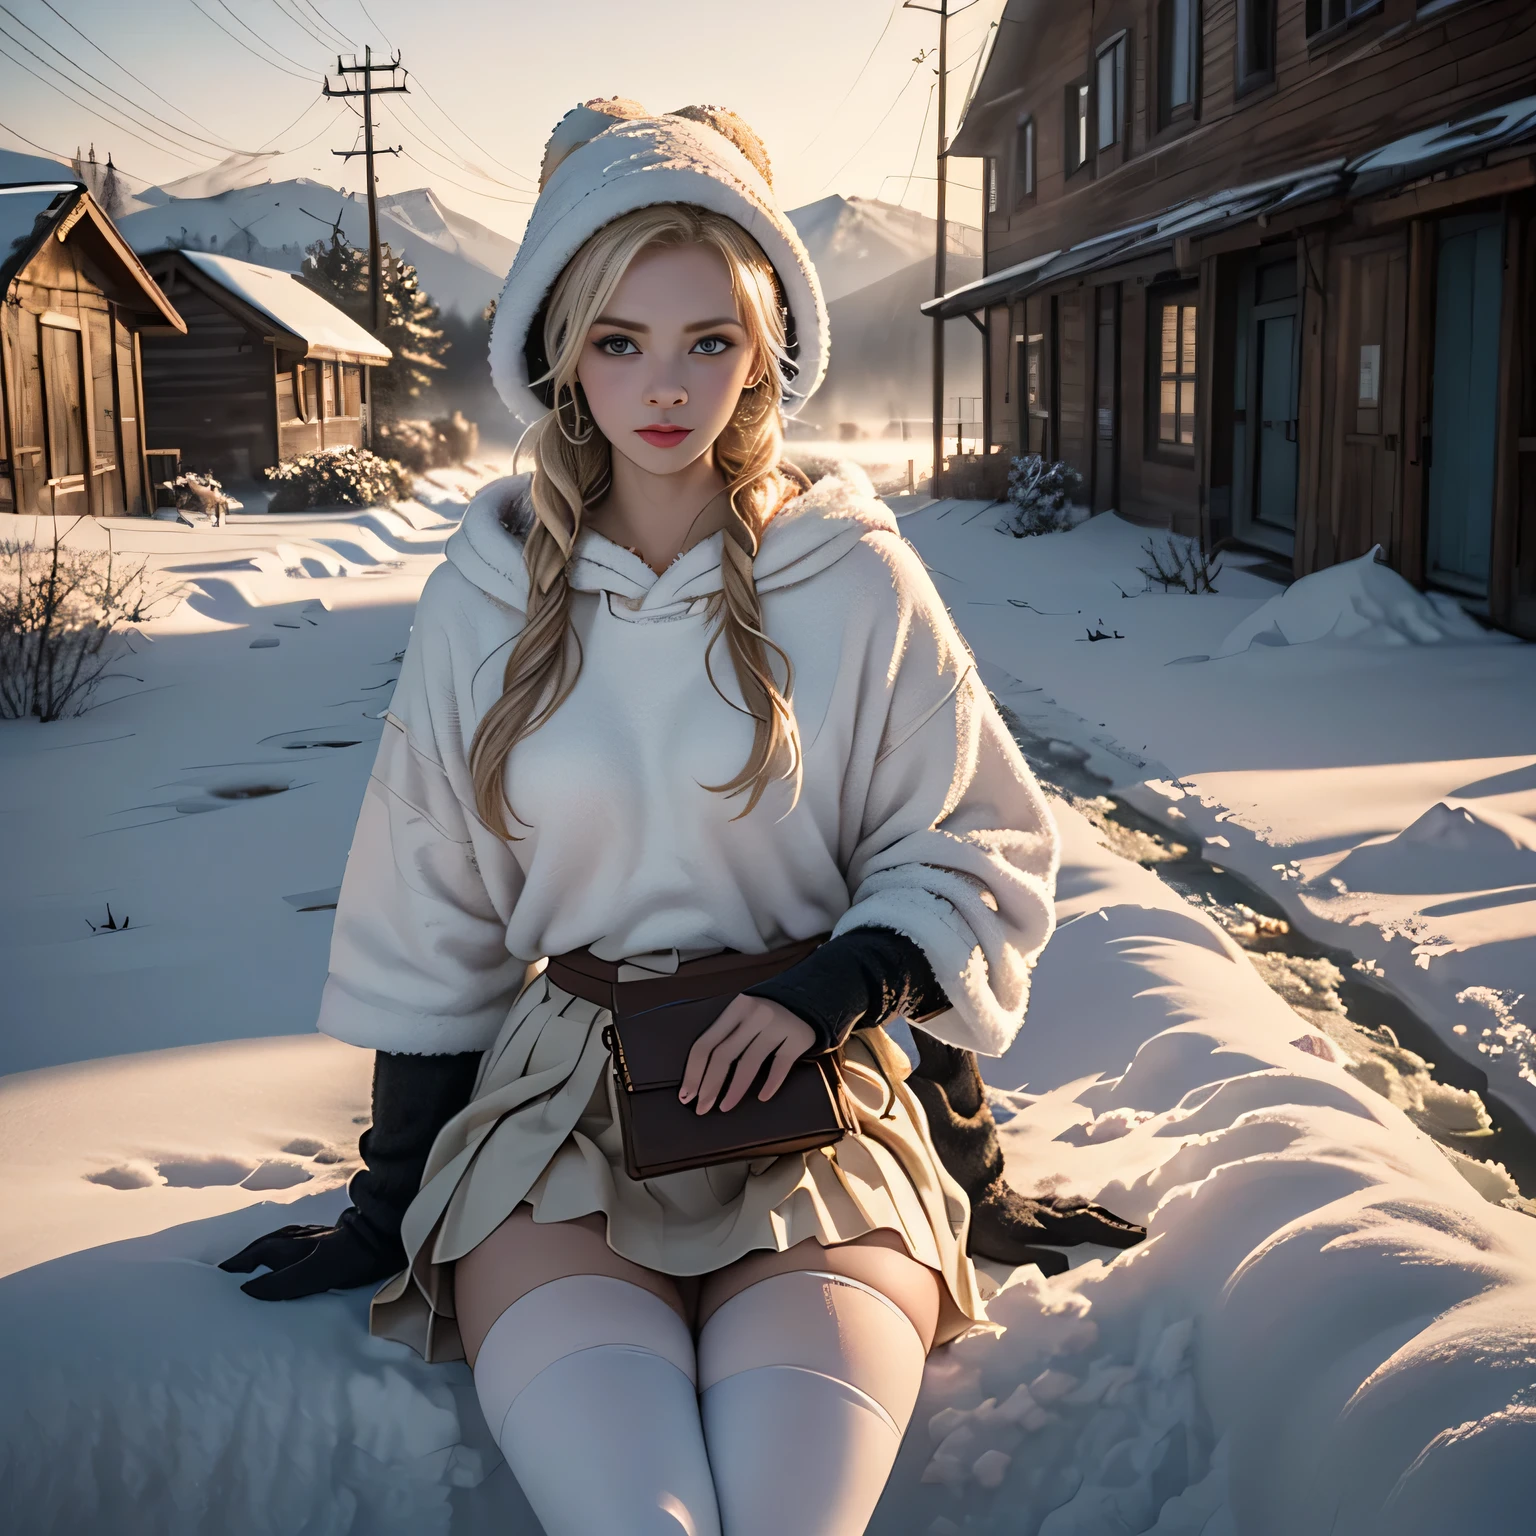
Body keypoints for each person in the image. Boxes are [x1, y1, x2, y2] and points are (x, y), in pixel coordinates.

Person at [222, 100, 1137, 1535]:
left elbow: (966, 846)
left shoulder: (855, 578)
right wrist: (384, 1204)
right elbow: (428, 909)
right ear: (559, 349)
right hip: (555, 1124)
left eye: (711, 339)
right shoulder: (487, 593)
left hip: (815, 1112)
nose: (667, 385)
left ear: (769, 347)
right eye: (620, 339)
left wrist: (955, 1141)